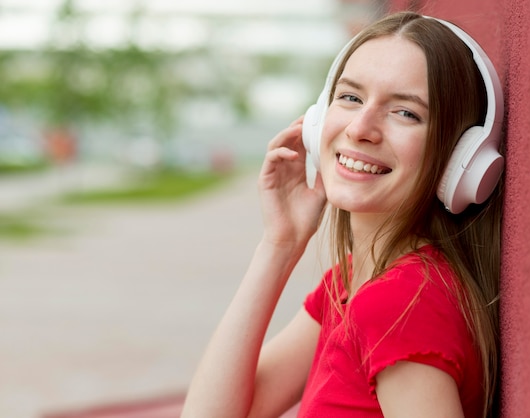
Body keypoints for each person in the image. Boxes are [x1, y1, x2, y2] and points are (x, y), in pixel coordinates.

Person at [181, 11, 504, 418]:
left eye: (406, 112)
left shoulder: (400, 303)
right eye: (350, 98)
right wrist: (280, 244)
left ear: (459, 159)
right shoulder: (352, 282)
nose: (360, 128)